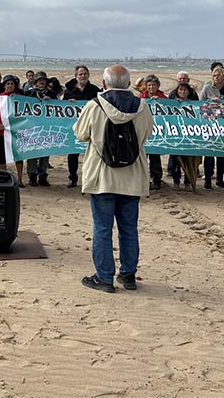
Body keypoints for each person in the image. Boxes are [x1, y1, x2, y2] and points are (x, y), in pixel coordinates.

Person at [74, 64, 153, 293]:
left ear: (104, 84)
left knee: (102, 228)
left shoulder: (94, 105)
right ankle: (128, 276)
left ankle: (104, 277)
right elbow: (148, 133)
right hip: (132, 177)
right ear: (128, 84)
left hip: (102, 177)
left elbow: (80, 133)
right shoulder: (142, 106)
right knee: (129, 228)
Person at [63, 65, 100, 188]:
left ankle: (92, 178)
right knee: (72, 153)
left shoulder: (95, 90)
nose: (83, 76)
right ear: (76, 76)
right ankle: (72, 178)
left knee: (93, 153)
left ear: (88, 75)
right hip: (74, 126)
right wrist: (69, 103)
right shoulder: (68, 91)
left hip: (91, 126)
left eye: (85, 74)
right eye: (80, 74)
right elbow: (61, 108)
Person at [201, 66, 224, 189]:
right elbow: (200, 104)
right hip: (210, 123)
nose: (216, 78)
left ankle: (220, 179)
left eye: (219, 75)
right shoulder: (207, 88)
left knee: (222, 152)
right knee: (209, 153)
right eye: (215, 75)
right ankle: (208, 180)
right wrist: (210, 100)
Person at [0, 75, 25, 187]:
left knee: (19, 155)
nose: (10, 86)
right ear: (4, 85)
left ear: (15, 85)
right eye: (7, 84)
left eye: (12, 84)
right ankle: (2, 177)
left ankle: (19, 179)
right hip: (1, 132)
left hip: (17, 131)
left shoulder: (20, 98)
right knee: (2, 155)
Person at [139, 74, 167, 189]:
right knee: (143, 157)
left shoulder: (162, 97)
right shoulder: (141, 96)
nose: (151, 87)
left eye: (153, 85)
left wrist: (160, 101)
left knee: (155, 156)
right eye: (149, 85)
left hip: (158, 131)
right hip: (144, 130)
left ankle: (156, 179)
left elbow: (168, 109)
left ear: (158, 86)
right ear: (145, 86)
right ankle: (144, 179)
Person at [25, 72, 53, 186]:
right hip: (32, 127)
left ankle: (42, 175)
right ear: (36, 82)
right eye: (39, 80)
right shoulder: (29, 93)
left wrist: (51, 100)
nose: (42, 82)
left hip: (47, 127)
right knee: (32, 152)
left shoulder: (51, 93)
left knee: (45, 152)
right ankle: (32, 176)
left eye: (43, 80)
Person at [168, 83, 197, 191]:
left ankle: (188, 182)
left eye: (185, 90)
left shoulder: (194, 103)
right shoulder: (172, 103)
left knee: (189, 160)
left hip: (190, 135)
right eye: (181, 90)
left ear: (189, 92)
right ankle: (176, 181)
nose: (183, 92)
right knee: (175, 160)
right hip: (176, 136)